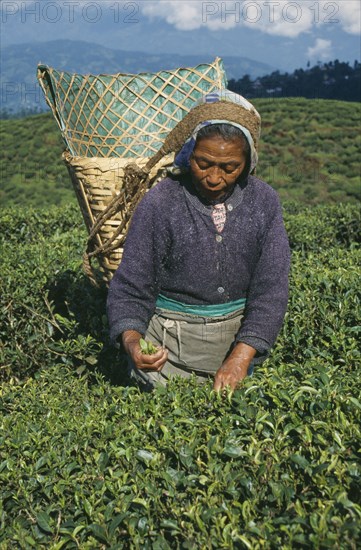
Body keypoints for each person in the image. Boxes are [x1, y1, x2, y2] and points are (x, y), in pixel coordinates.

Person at [107, 90, 290, 391]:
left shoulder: (263, 202)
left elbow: (271, 290)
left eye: (230, 167)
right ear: (188, 154)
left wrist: (241, 358)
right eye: (203, 163)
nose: (214, 177)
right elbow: (131, 286)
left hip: (239, 348)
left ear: (248, 163)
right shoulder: (161, 202)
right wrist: (132, 341)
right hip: (167, 353)